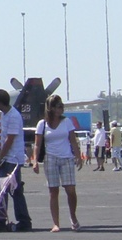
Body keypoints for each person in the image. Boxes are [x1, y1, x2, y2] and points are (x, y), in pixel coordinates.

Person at [31, 95, 84, 230]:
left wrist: (78, 156)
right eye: (58, 106)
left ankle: (73, 216)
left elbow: (73, 140)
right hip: (50, 158)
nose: (61, 109)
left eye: (61, 106)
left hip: (66, 157)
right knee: (53, 191)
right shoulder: (42, 124)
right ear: (51, 108)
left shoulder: (67, 122)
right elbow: (37, 144)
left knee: (70, 189)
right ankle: (56, 223)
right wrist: (35, 160)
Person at [0, 88, 33, 231]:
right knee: (1, 191)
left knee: (15, 190)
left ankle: (24, 221)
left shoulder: (13, 116)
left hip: (12, 159)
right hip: (6, 158)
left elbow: (10, 140)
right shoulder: (4, 115)